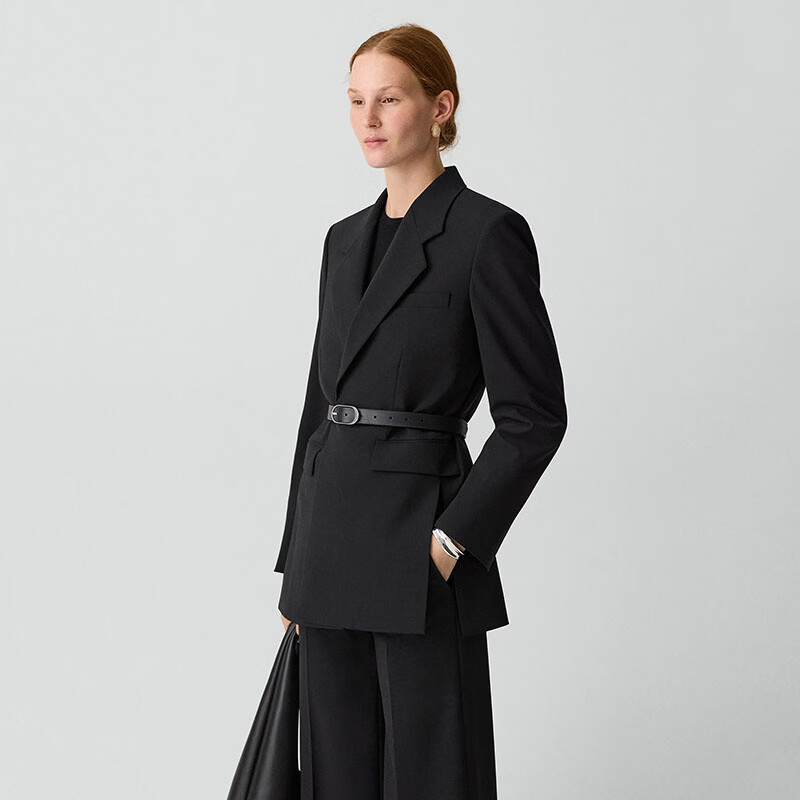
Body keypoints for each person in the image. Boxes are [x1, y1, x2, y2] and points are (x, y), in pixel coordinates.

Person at [273, 23, 568, 800]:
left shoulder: (486, 234)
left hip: (418, 552)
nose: (368, 119)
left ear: (440, 107)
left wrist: (451, 543)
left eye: (389, 99)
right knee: (336, 778)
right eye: (355, 101)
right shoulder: (342, 242)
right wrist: (296, 562)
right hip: (329, 552)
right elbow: (319, 407)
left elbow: (534, 417)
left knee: (434, 775)